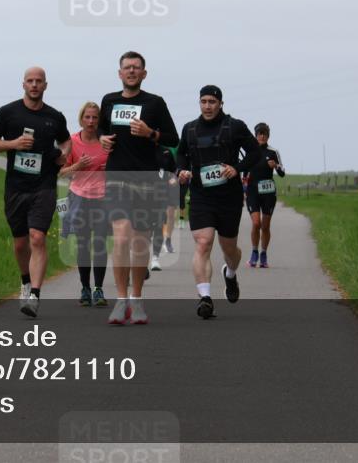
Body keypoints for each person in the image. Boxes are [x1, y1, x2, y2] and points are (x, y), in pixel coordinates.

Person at [98, 51, 178, 325]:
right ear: (119, 73)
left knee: (140, 241)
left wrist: (150, 134)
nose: (131, 71)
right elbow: (100, 132)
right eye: (127, 67)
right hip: (117, 176)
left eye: (136, 67)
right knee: (121, 237)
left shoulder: (155, 103)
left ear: (144, 74)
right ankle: (121, 300)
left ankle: (137, 299)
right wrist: (103, 140)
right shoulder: (109, 101)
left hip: (145, 179)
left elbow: (172, 137)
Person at [0, 67, 71, 318]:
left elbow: (65, 140)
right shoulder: (8, 112)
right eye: (30, 81)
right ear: (23, 84)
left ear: (45, 85)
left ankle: (34, 295)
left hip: (44, 186)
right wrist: (13, 144)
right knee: (20, 242)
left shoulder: (54, 117)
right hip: (15, 187)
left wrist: (64, 156)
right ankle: (25, 281)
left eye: (39, 81)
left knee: (37, 237)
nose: (34, 85)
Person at [176, 85, 260, 319]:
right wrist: (181, 169)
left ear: (221, 103)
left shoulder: (235, 126)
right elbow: (181, 154)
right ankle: (205, 298)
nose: (207, 106)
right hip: (201, 195)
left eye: (212, 101)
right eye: (203, 101)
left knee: (229, 249)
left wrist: (238, 168)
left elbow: (255, 153)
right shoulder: (190, 128)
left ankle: (230, 273)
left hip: (229, 197)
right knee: (203, 243)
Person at [58, 102, 110, 307]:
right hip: (78, 197)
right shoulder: (72, 141)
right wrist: (77, 166)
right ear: (81, 119)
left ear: (99, 120)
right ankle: (85, 288)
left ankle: (98, 288)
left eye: (95, 118)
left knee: (99, 244)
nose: (91, 122)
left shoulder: (106, 143)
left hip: (102, 198)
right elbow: (61, 172)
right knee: (83, 244)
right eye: (87, 117)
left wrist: (111, 168)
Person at [245, 122, 285, 268]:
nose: (262, 136)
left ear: (268, 136)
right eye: (259, 133)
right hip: (252, 192)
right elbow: (244, 171)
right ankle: (254, 252)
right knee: (256, 223)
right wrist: (243, 189)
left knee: (266, 226)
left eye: (264, 133)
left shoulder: (273, 152)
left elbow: (282, 173)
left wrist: (276, 166)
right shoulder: (250, 151)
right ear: (255, 135)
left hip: (268, 193)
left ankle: (263, 254)